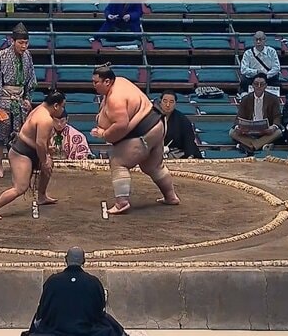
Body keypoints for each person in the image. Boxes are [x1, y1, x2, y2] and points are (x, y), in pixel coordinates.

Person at [90, 64, 179, 214]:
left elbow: (121, 125)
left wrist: (104, 134)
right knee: (153, 167)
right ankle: (171, 197)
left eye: (95, 82)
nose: (93, 85)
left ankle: (122, 203)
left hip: (144, 131)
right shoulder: (120, 81)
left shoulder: (115, 99)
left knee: (118, 161)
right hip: (157, 124)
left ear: (107, 82)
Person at [0, 91, 66, 220]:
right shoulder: (45, 119)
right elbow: (39, 144)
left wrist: (46, 155)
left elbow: (39, 141)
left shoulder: (39, 109)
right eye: (62, 106)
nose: (63, 109)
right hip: (21, 153)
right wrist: (44, 160)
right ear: (56, 106)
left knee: (49, 165)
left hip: (30, 149)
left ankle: (42, 196)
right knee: (20, 187)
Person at [23, 247, 127, 336]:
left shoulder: (52, 282)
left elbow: (43, 310)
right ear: (84, 261)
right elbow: (100, 311)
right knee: (110, 323)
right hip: (88, 331)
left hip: (56, 330)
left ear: (66, 260)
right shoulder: (93, 282)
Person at [0, 22, 38, 178]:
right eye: (21, 43)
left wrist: (27, 97)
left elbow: (31, 80)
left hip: (20, 101)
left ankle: (18, 166)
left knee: (21, 136)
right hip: (2, 100)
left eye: (26, 43)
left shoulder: (28, 56)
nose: (24, 46)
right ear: (13, 41)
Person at [229, 73, 283, 155]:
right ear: (252, 85)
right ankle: (259, 145)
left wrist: (273, 127)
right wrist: (238, 127)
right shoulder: (245, 99)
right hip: (248, 131)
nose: (259, 86)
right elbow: (239, 117)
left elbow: (277, 117)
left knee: (278, 132)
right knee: (232, 132)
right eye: (256, 84)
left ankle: (250, 147)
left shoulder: (273, 98)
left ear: (266, 86)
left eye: (261, 84)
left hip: (266, 131)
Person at [158, 90, 202, 159]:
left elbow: (189, 141)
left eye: (171, 102)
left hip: (176, 153)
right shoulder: (152, 117)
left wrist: (190, 156)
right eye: (165, 101)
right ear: (160, 102)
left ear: (175, 104)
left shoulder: (183, 120)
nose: (168, 105)